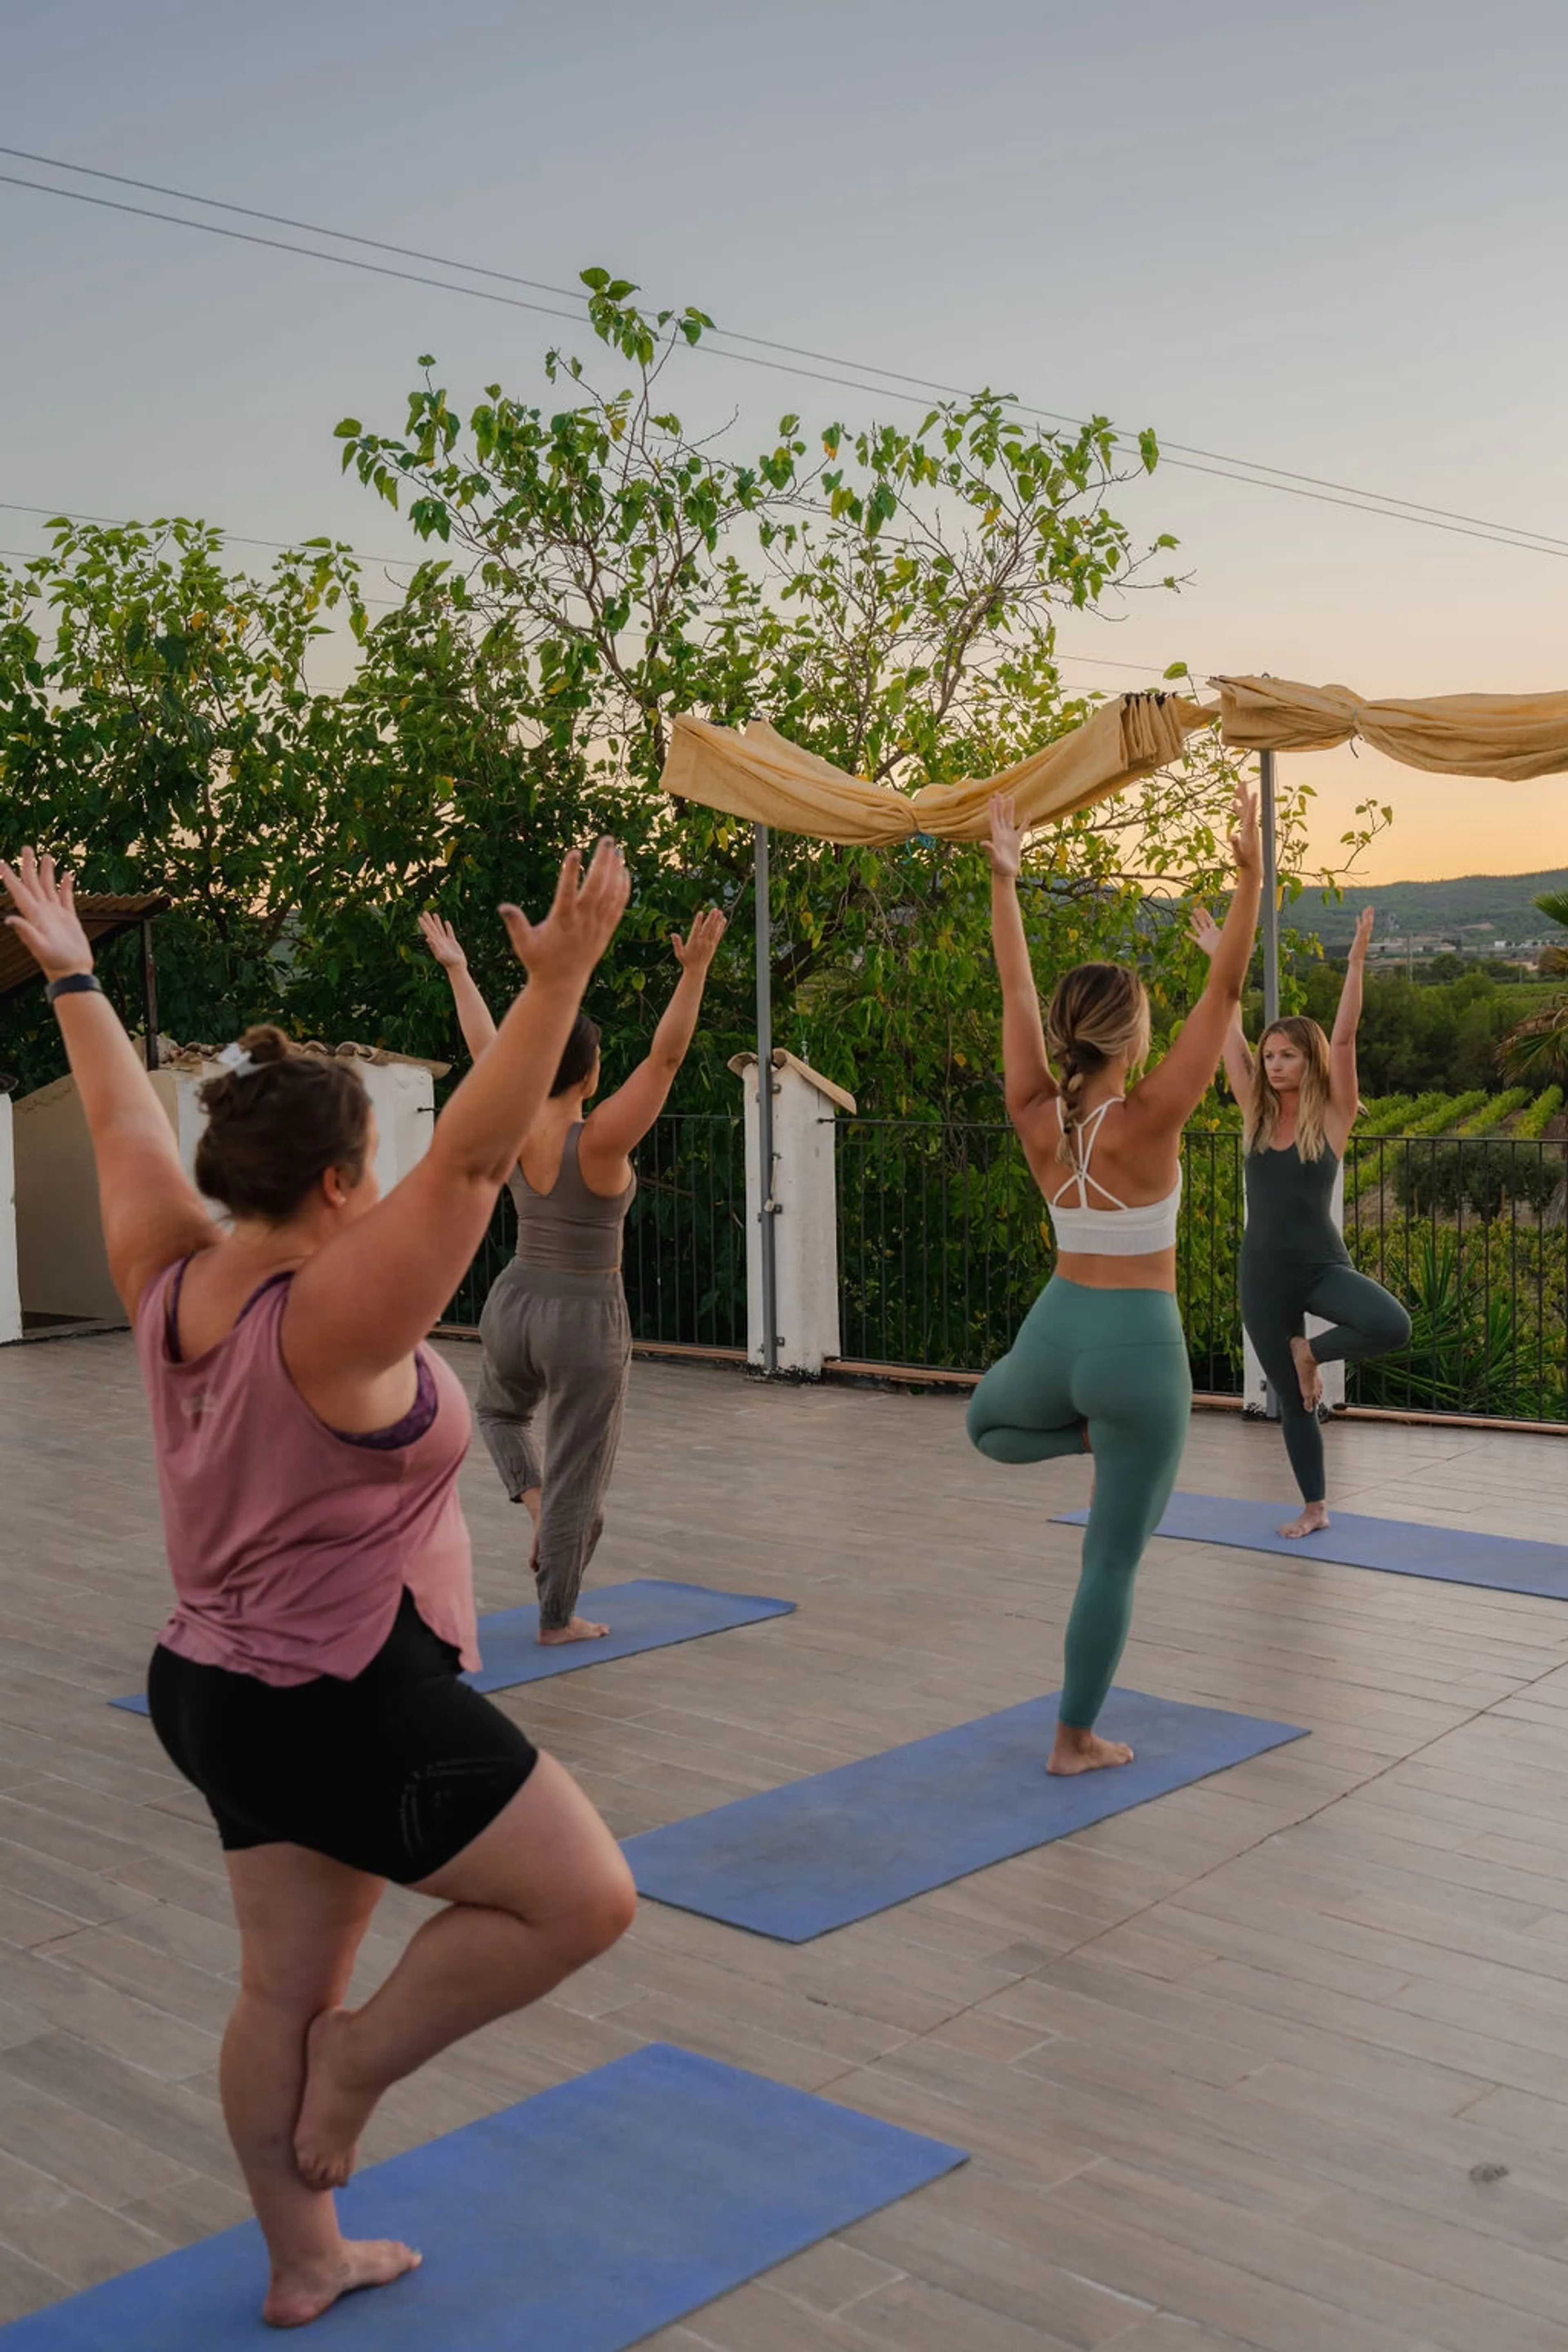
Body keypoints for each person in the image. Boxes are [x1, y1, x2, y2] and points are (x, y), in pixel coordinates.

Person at [1, 842, 639, 2332]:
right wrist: (556, 986)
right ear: (343, 1181)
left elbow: (119, 1117)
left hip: (216, 1690)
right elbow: (476, 1160)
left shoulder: (169, 1272)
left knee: (278, 1988)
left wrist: (75, 977)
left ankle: (306, 2259)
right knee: (581, 1901)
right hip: (336, 1694)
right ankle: (357, 2068)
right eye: (376, 1169)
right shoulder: (335, 1315)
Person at [967, 781, 1262, 1776]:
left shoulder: (1035, 1113)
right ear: (1133, 1039)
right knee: (1111, 1560)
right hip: (1140, 1347)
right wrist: (1250, 880)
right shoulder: (1152, 1118)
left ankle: (1087, 1436)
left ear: (1068, 1035)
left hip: (1057, 1330)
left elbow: (1013, 992)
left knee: (986, 1425)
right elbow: (1225, 994)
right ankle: (1074, 1740)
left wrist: (1005, 883)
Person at [419, 904, 726, 1643]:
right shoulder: (602, 1139)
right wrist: (694, 973)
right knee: (578, 1477)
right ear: (589, 1072)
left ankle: (533, 1502)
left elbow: (488, 1048)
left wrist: (460, 971)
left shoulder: (515, 1113)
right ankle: (556, 1617)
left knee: (499, 1415)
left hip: (514, 1301)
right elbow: (665, 1061)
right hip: (585, 1317)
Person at [1190, 902, 1411, 1538]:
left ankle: (1309, 1352)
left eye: (1288, 1055)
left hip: (1320, 1266)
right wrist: (1221, 962)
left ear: (1309, 1060)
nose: (1275, 1064)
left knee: (1391, 1324)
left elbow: (1344, 1039)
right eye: (1270, 1056)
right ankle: (1315, 1507)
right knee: (1292, 1400)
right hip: (1263, 1276)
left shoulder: (1335, 1115)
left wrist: (1357, 962)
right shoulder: (1255, 1113)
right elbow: (1226, 1023)